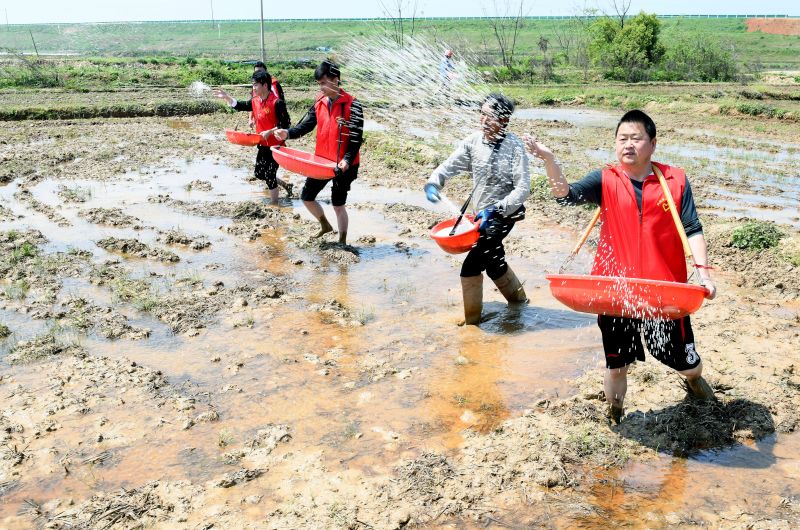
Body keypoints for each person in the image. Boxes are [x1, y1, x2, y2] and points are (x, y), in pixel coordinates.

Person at [524, 109, 718, 424]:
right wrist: (549, 160)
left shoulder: (674, 180)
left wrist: (704, 275)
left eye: (636, 138)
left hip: (663, 292)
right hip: (616, 292)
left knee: (686, 364)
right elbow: (565, 196)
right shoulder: (606, 178)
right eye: (622, 139)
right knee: (616, 365)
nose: (628, 145)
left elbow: (692, 228)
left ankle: (695, 382)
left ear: (652, 144)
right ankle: (615, 416)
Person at [424, 93, 530, 325]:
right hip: (478, 218)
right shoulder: (473, 142)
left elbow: (523, 188)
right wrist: (434, 182)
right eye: (481, 114)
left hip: (503, 215)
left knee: (470, 267)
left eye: (490, 116)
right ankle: (520, 303)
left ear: (504, 121)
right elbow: (449, 165)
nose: (483, 120)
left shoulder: (514, 147)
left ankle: (472, 323)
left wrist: (497, 208)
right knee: (494, 262)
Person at [273, 60, 363, 245]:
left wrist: (346, 160)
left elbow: (356, 140)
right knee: (306, 197)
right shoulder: (320, 102)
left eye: (323, 83)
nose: (321, 87)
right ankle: (324, 225)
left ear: (335, 80)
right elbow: (306, 126)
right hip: (321, 162)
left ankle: (342, 241)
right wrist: (288, 132)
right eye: (319, 84)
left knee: (338, 204)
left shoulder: (353, 105)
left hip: (344, 166)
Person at [214, 71, 293, 204]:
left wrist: (271, 131)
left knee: (269, 175)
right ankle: (286, 185)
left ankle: (275, 204)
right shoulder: (255, 101)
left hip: (276, 146)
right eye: (253, 85)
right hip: (262, 144)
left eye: (256, 85)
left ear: (265, 85)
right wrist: (227, 97)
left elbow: (286, 124)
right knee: (259, 173)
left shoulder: (277, 102)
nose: (253, 88)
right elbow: (240, 106)